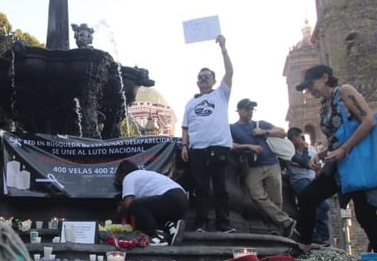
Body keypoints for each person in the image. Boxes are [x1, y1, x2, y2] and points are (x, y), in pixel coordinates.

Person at [293, 64, 377, 254]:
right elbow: (337, 136)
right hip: (339, 164)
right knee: (306, 197)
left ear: (325, 77)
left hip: (357, 162)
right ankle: (304, 245)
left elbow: (369, 120)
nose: (309, 90)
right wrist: (321, 154)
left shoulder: (345, 92)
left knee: (365, 215)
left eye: (311, 84)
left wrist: (344, 148)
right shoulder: (323, 105)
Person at [181, 35, 234, 233]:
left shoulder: (221, 94)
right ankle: (201, 223)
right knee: (200, 188)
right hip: (197, 149)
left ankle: (224, 223)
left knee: (221, 187)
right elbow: (185, 127)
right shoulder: (190, 103)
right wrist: (184, 145)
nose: (203, 80)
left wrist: (223, 48)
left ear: (213, 80)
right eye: (200, 77)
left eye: (207, 77)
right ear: (197, 82)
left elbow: (230, 71)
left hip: (218, 146)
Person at [229, 98, 294, 236]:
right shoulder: (233, 128)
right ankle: (286, 221)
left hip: (272, 163)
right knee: (256, 195)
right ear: (239, 110)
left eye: (252, 109)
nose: (250, 112)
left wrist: (265, 132)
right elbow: (229, 145)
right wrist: (248, 146)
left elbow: (282, 132)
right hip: (252, 167)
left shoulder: (260, 124)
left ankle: (275, 228)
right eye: (247, 109)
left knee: (275, 198)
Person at [113, 159, 188, 246]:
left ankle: (157, 235)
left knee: (135, 205)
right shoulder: (145, 176)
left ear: (122, 174)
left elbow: (128, 204)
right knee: (146, 212)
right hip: (182, 201)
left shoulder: (129, 177)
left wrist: (120, 208)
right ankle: (172, 226)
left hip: (171, 197)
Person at [286, 127, 330, 245]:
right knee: (322, 205)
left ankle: (323, 236)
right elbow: (304, 162)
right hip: (300, 180)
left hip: (312, 180)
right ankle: (309, 231)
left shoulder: (312, 151)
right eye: (301, 137)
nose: (303, 139)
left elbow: (316, 166)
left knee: (323, 207)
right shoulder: (289, 151)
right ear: (294, 139)